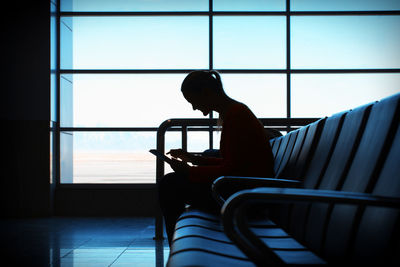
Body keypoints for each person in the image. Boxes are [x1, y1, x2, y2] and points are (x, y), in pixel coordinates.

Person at [157, 70, 275, 246]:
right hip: (244, 188)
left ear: (205, 93)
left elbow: (231, 169)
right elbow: (233, 162)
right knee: (172, 182)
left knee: (170, 184)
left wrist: (190, 171)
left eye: (193, 101)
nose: (194, 108)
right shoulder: (235, 112)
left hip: (243, 196)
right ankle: (178, 246)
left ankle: (177, 246)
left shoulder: (236, 116)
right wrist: (194, 159)